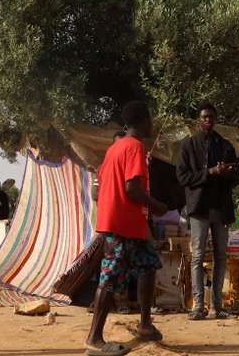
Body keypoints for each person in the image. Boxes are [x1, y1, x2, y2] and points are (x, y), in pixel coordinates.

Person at [85, 101, 168, 356]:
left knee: (149, 264)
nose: (152, 123)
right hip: (121, 225)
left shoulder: (115, 148)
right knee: (108, 279)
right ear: (142, 121)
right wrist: (156, 206)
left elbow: (101, 188)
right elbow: (132, 189)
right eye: (150, 119)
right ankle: (94, 339)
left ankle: (144, 325)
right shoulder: (134, 147)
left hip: (128, 224)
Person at [175, 101, 239, 320]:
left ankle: (216, 306)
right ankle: (198, 306)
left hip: (220, 208)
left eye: (211, 117)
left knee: (221, 256)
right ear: (198, 120)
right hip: (199, 208)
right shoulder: (188, 146)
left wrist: (226, 173)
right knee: (198, 257)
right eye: (204, 117)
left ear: (215, 119)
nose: (207, 120)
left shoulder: (226, 146)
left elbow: (236, 177)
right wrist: (209, 172)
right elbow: (182, 177)